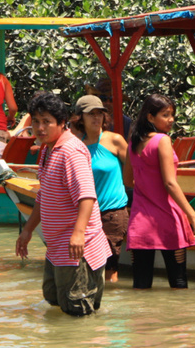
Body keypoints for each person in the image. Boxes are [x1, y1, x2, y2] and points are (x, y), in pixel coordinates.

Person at [15, 92, 111, 316]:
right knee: (54, 300)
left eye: (47, 121)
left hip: (78, 248)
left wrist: (78, 234)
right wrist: (28, 229)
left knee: (77, 310)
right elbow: (44, 195)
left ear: (61, 122)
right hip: (58, 246)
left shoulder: (71, 151)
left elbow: (87, 195)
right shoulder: (48, 149)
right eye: (36, 122)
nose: (40, 128)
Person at [124, 93, 195, 289]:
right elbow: (170, 183)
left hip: (140, 222)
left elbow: (127, 180)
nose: (171, 120)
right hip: (168, 219)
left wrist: (147, 188)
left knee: (140, 287)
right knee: (178, 284)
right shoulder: (162, 140)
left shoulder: (133, 142)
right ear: (150, 117)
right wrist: (193, 216)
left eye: (172, 115)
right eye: (165, 115)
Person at [71, 94, 129, 282]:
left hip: (113, 213)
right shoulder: (77, 146)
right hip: (86, 215)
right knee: (87, 265)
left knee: (110, 268)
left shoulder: (114, 140)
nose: (97, 118)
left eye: (100, 114)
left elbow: (136, 170)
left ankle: (111, 305)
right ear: (80, 118)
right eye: (91, 114)